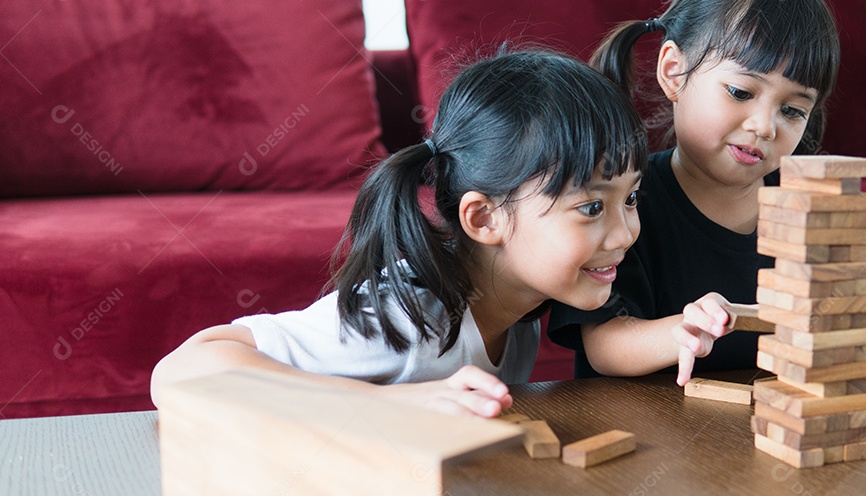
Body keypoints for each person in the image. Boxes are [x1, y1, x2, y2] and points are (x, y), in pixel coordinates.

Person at [151, 49, 648, 417]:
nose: (626, 232)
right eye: (591, 207)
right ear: (484, 219)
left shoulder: (518, 316)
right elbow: (182, 369)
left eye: (630, 199)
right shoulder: (409, 319)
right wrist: (394, 403)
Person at [547, 0, 866, 406]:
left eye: (793, 110)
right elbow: (603, 344)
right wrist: (682, 331)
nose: (765, 126)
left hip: (766, 430)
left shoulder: (811, 208)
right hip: (646, 428)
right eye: (740, 92)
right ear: (674, 72)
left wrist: (853, 364)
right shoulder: (622, 203)